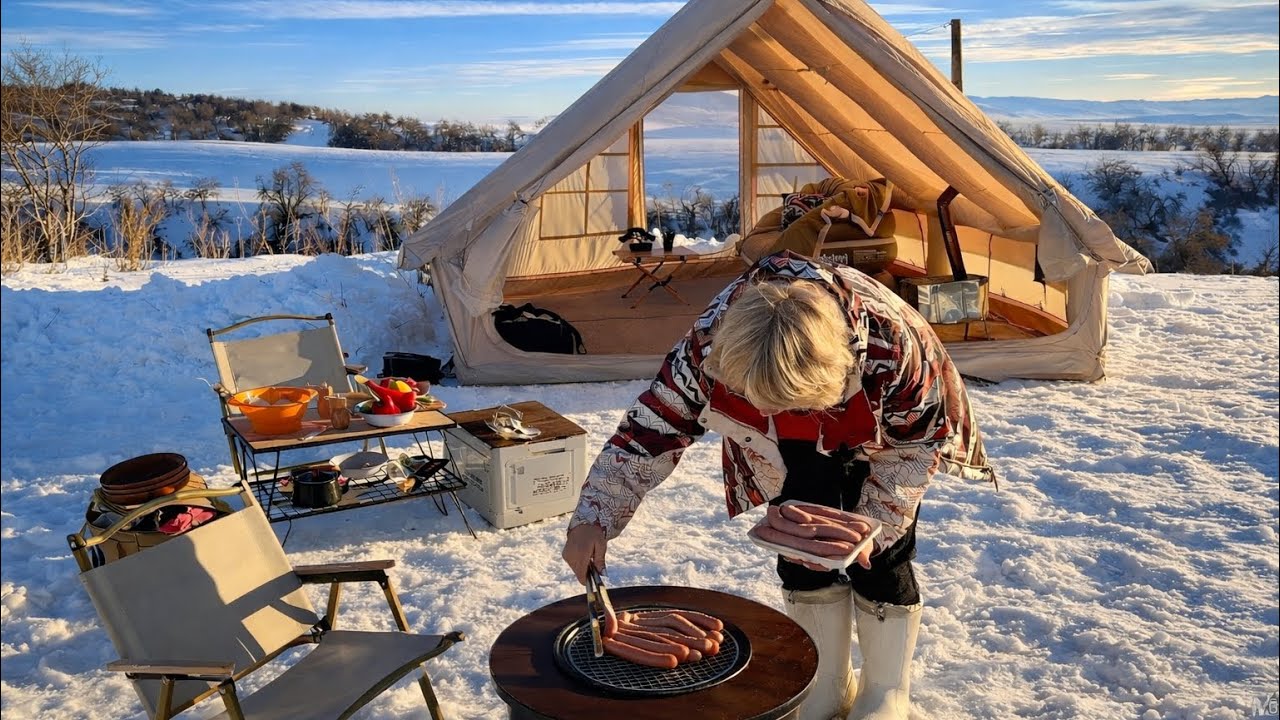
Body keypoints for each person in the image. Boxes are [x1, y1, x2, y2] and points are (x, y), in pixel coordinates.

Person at [562, 250, 995, 720]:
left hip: (884, 436)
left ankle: (887, 687)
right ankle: (825, 678)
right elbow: (649, 432)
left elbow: (913, 448)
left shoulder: (895, 348)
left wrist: (877, 526)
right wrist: (593, 520)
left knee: (883, 560)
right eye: (758, 400)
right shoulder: (711, 345)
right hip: (784, 450)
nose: (772, 414)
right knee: (797, 543)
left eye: (785, 403)